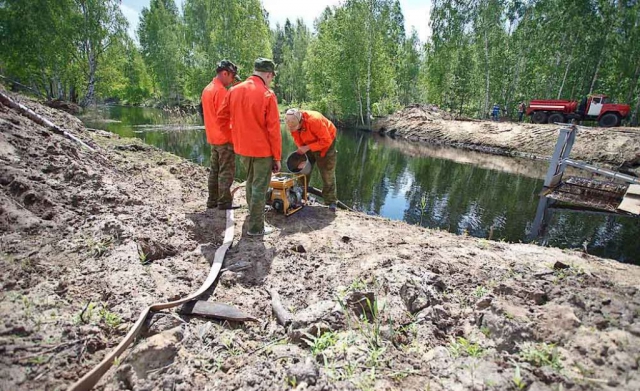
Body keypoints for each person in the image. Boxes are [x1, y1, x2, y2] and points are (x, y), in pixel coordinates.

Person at [217, 58, 281, 236]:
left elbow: (221, 118)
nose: (271, 80)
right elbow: (274, 130)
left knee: (251, 181)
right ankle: (256, 227)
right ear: (268, 74)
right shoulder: (267, 94)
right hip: (262, 150)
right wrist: (277, 158)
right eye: (271, 77)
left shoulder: (234, 90)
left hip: (242, 148)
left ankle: (252, 216)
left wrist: (234, 136)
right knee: (259, 187)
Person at [201, 60, 240, 210]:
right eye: (232, 77)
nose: (232, 81)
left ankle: (212, 201)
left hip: (213, 137)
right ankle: (224, 202)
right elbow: (228, 116)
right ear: (225, 73)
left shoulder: (207, 89)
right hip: (224, 138)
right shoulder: (221, 92)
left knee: (214, 170)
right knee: (226, 171)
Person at [285, 108, 338, 212]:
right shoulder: (292, 125)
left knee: (327, 173)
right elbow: (297, 138)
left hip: (326, 145)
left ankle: (331, 201)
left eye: (295, 127)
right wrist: (303, 152)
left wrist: (308, 147)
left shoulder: (314, 120)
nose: (292, 129)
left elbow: (326, 140)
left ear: (301, 121)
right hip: (307, 144)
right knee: (301, 171)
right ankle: (300, 195)